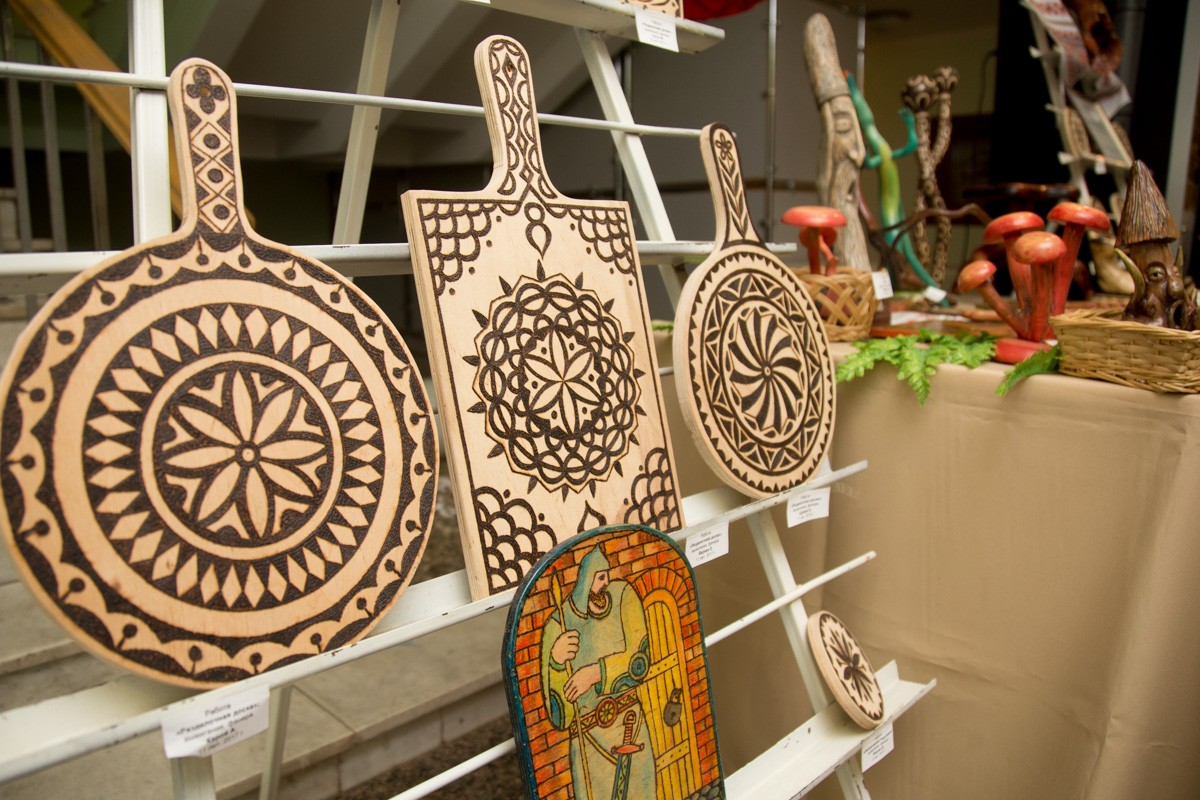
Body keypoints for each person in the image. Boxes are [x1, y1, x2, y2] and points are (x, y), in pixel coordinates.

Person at [541, 545, 656, 800]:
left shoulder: (623, 595)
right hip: (588, 741)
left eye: (607, 575)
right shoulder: (557, 625)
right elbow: (559, 716)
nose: (605, 583)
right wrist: (556, 662)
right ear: (584, 580)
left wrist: (596, 673)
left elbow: (640, 662)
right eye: (599, 577)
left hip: (630, 724)